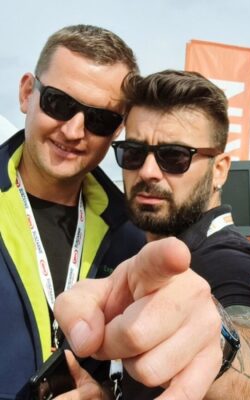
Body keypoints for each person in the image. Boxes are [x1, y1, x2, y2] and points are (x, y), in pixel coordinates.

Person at [96, 69, 250, 399]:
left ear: (219, 170)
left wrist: (220, 350)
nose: (147, 172)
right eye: (133, 152)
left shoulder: (232, 261)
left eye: (174, 157)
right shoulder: (132, 252)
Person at [1, 24, 147, 399]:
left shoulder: (132, 238)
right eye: (60, 104)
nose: (74, 131)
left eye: (99, 119)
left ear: (117, 130)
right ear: (27, 93)